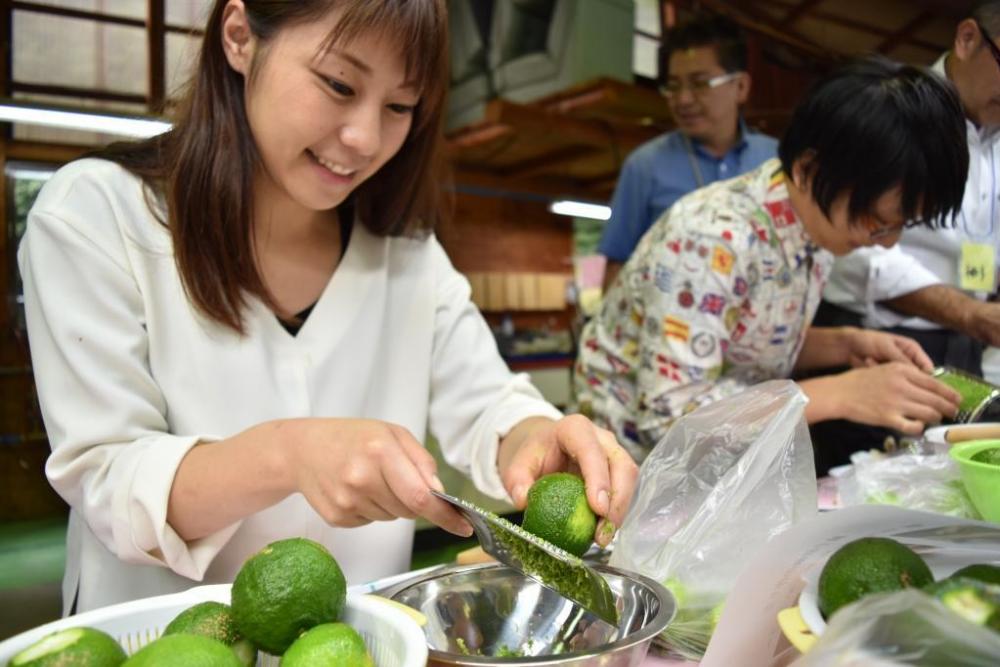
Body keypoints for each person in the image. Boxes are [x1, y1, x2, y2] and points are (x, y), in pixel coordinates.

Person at [18, 0, 638, 614]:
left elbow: (488, 406)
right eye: (339, 84)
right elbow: (108, 479)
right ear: (239, 37)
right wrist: (290, 454)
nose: (365, 138)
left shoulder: (407, 259)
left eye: (399, 106)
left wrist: (537, 438)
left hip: (354, 646)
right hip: (159, 646)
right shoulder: (97, 217)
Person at [574, 57, 967, 463]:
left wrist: (847, 345)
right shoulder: (713, 240)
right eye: (877, 222)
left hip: (715, 461)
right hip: (629, 466)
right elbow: (669, 417)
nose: (886, 244)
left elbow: (746, 336)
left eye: (900, 225)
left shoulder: (814, 230)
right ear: (808, 170)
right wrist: (839, 394)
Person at [813, 0, 1000, 470]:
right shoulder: (892, 114)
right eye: (891, 222)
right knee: (860, 473)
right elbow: (850, 243)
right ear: (968, 39)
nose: (890, 238)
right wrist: (968, 312)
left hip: (959, 344)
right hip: (877, 335)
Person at [598, 14, 778, 292]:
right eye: (673, 85)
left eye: (699, 83)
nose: (683, 99)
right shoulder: (645, 166)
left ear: (741, 87)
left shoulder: (776, 162)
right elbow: (616, 267)